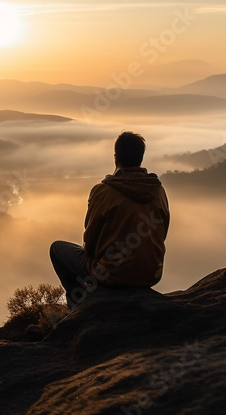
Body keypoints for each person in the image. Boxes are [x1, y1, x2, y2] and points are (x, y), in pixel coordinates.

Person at [50, 131, 170, 307]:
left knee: (57, 249)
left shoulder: (103, 192)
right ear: (141, 158)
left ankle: (79, 307)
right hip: (150, 274)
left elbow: (90, 240)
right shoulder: (158, 191)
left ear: (116, 158)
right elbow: (162, 232)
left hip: (111, 276)